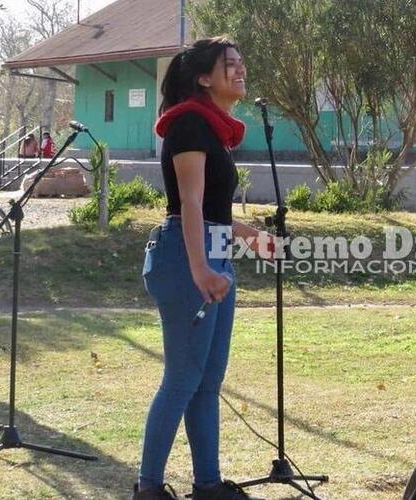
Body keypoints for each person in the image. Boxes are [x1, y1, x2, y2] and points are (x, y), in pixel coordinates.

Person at [134, 36, 271, 500]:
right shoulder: (190, 123)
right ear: (203, 77)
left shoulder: (213, 127)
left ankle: (207, 485)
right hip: (186, 259)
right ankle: (147, 487)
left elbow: (210, 210)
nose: (240, 70)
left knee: (207, 382)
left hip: (212, 255)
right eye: (228, 64)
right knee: (182, 379)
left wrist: (252, 236)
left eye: (240, 62)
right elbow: (188, 203)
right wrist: (200, 270)